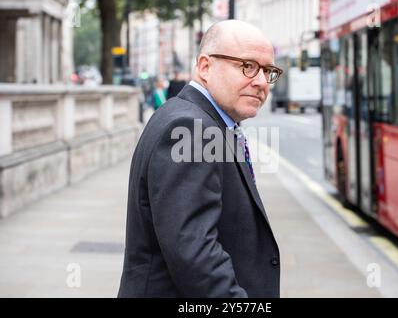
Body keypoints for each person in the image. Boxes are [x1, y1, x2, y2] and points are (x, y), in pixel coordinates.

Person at [118, 20, 283, 298]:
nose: (260, 82)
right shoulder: (193, 128)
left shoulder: (196, 119)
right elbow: (193, 252)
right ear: (205, 66)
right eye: (247, 67)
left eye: (268, 71)